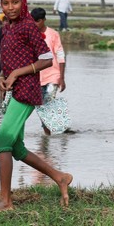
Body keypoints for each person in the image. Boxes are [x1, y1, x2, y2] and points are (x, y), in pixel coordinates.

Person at [0, 0, 73, 211]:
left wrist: (17, 73)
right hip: (14, 90)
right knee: (16, 148)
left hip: (26, 91)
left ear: (23, 2)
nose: (10, 7)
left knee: (2, 142)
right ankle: (60, 177)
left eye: (15, 2)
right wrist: (3, 77)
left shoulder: (28, 26)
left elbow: (47, 59)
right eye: (6, 3)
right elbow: (7, 60)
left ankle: (6, 202)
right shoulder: (6, 28)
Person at [31, 8, 70, 136]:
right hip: (37, 77)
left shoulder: (53, 34)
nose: (35, 24)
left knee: (46, 104)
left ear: (43, 20)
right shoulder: (30, 35)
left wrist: (62, 78)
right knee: (41, 107)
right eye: (33, 21)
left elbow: (60, 56)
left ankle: (49, 135)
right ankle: (49, 135)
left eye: (37, 21)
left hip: (53, 76)